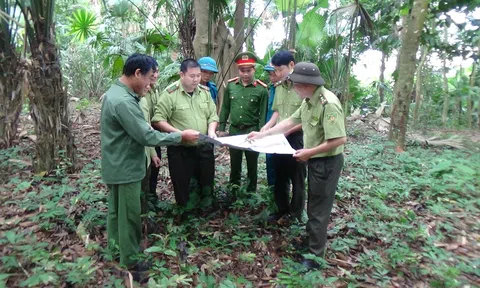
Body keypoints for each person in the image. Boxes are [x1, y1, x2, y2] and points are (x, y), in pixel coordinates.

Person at [100, 53, 199, 281]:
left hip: (116, 164)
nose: (151, 84)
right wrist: (179, 137)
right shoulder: (124, 101)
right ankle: (130, 263)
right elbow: (145, 135)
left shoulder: (116, 93)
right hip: (126, 168)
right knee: (130, 217)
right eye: (149, 78)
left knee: (116, 214)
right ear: (137, 73)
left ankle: (116, 251)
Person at [248, 62, 347, 270]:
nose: (293, 89)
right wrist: (263, 134)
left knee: (318, 209)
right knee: (314, 205)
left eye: (295, 85)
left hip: (326, 162)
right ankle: (311, 243)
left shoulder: (327, 103)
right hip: (316, 159)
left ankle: (314, 257)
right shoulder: (309, 100)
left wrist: (309, 152)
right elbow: (291, 121)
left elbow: (339, 140)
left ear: (305, 84)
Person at [152, 59, 219, 210]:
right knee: (182, 184)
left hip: (204, 145)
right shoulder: (170, 94)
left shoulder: (205, 93)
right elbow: (158, 120)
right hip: (180, 148)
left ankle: (205, 211)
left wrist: (211, 131)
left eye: (198, 76)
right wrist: (180, 134)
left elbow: (213, 116)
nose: (196, 79)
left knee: (206, 180)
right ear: (182, 75)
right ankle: (185, 214)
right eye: (192, 76)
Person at [261, 50, 306, 223]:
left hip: (298, 137)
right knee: (280, 173)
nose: (277, 74)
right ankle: (281, 209)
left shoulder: (303, 86)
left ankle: (295, 214)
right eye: (275, 70)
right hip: (279, 136)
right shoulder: (279, 87)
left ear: (292, 65)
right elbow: (277, 112)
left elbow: (309, 117)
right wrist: (266, 128)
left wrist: (287, 131)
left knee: (297, 176)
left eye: (280, 70)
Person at [218, 51, 268, 194]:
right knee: (235, 163)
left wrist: (261, 133)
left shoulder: (261, 89)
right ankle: (234, 190)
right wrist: (222, 127)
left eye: (248, 70)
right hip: (234, 131)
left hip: (251, 131)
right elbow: (225, 107)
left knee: (252, 164)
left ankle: (251, 192)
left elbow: (262, 115)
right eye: (242, 70)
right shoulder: (231, 86)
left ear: (254, 69)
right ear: (238, 70)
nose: (245, 74)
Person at [139, 63, 161, 214]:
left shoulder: (155, 89)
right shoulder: (140, 91)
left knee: (155, 167)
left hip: (156, 133)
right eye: (151, 72)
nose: (154, 75)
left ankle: (152, 196)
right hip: (145, 135)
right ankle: (145, 204)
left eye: (156, 72)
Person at [264, 60, 281, 187]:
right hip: (269, 130)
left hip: (281, 131)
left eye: (272, 74)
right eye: (269, 74)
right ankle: (272, 188)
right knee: (269, 159)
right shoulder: (272, 88)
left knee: (279, 161)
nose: (271, 77)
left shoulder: (284, 88)